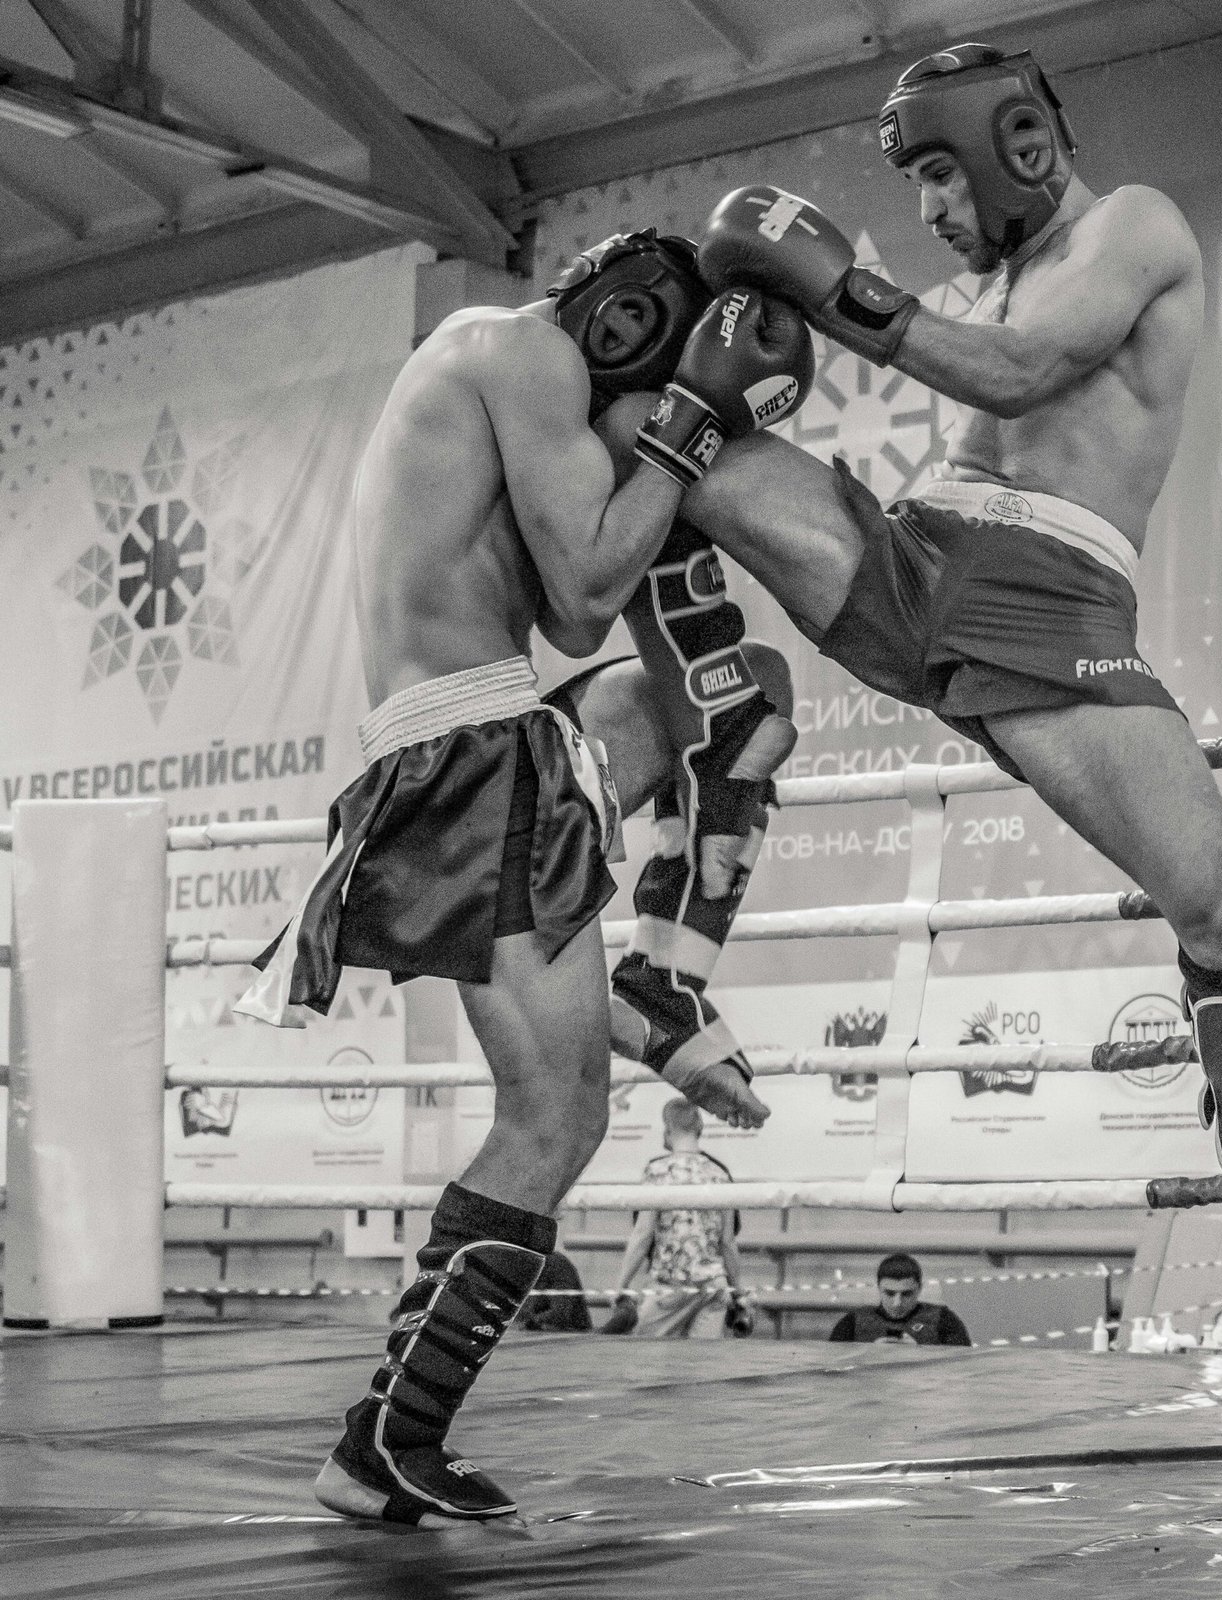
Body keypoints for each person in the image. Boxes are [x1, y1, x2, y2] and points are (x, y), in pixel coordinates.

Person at [667, 41, 1222, 1291]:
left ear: (1019, 148)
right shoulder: (976, 288)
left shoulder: (1133, 231)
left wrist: (832, 290)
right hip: (912, 562)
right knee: (678, 445)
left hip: (1053, 594)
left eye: (940, 173)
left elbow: (1027, 372)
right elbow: (954, 360)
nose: (928, 211)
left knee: (1218, 913)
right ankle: (663, 887)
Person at [232, 233, 814, 1524]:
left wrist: (654, 449)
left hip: (495, 724)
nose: (623, 443)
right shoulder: (533, 350)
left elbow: (567, 624)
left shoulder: (493, 368)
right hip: (471, 749)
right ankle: (385, 1441)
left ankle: (657, 976)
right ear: (625, 334)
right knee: (556, 1120)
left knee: (738, 698)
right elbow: (596, 574)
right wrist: (683, 429)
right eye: (639, 402)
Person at [612, 1097, 748, 1338]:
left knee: (645, 1364)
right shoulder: (719, 1174)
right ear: (700, 1129)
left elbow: (643, 1235)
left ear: (667, 1129)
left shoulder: (657, 1172)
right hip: (713, 1287)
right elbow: (728, 1242)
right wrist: (739, 1294)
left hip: (669, 1285)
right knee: (702, 1371)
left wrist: (621, 1285)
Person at [828, 1253, 972, 1346]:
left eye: (906, 1294)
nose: (897, 1303)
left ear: (919, 1289)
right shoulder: (853, 1322)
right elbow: (831, 1372)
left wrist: (920, 1355)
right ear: (879, 1288)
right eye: (890, 1293)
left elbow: (963, 1371)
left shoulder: (944, 1320)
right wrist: (870, 1354)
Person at [517, 1249, 593, 1334]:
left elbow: (560, 1312)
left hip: (567, 1337)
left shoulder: (556, 1264)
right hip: (532, 1335)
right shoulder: (515, 1265)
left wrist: (531, 1321)